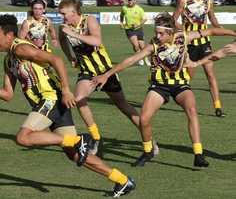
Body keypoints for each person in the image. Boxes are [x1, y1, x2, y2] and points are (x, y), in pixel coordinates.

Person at [0, 14, 135, 198]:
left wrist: (66, 90)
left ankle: (78, 140)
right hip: (53, 103)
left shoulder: (20, 48)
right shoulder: (9, 60)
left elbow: (56, 60)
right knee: (74, 155)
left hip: (52, 99)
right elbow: (8, 95)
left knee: (23, 138)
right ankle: (122, 180)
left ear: (9, 35)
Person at [92, 12, 236, 167]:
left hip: (180, 85)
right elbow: (132, 60)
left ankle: (198, 154)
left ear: (170, 33)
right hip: (160, 86)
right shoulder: (153, 45)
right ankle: (148, 151)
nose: (157, 36)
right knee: (144, 119)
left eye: (161, 33)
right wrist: (107, 75)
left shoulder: (183, 38)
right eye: (156, 32)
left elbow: (211, 31)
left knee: (191, 109)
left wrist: (233, 33)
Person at [58, 0, 159, 156]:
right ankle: (96, 138)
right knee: (79, 99)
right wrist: (70, 56)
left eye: (64, 14)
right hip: (87, 72)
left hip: (106, 72)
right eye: (60, 14)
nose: (62, 17)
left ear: (73, 11)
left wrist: (74, 34)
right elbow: (63, 41)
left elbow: (97, 40)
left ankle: (150, 140)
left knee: (123, 106)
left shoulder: (89, 20)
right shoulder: (64, 27)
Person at [173, 0, 224, 117]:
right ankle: (185, 103)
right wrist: (182, 31)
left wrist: (220, 28)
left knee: (210, 74)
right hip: (190, 45)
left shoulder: (208, 1)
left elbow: (212, 18)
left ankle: (218, 106)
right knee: (188, 77)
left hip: (204, 43)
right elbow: (173, 19)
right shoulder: (184, 0)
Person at [120, 0, 150, 66]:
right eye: (129, 0)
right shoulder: (124, 8)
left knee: (142, 47)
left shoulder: (139, 9)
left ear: (135, 1)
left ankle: (146, 59)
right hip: (129, 29)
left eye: (131, 0)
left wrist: (138, 24)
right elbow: (121, 15)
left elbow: (145, 19)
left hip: (139, 29)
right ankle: (139, 59)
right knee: (136, 46)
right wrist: (121, 22)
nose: (130, 2)